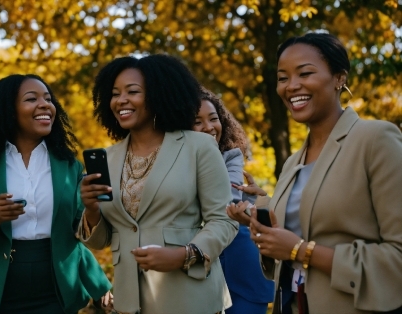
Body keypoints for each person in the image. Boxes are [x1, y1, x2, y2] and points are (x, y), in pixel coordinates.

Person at [244, 32, 402, 313]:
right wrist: (264, 230)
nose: (291, 86)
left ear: (339, 79)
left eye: (305, 73)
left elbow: (397, 254)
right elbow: (292, 238)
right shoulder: (293, 162)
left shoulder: (375, 139)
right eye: (282, 78)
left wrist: (300, 251)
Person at [79, 54, 238, 314]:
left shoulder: (198, 146)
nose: (121, 100)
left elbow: (224, 220)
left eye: (132, 91)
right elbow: (103, 241)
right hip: (129, 303)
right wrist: (91, 210)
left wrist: (184, 254)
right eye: (115, 93)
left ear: (158, 95)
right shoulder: (107, 158)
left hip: (189, 297)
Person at [0, 74, 112, 314]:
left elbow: (74, 237)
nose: (45, 104)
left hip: (54, 292)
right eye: (31, 99)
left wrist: (101, 286)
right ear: (8, 110)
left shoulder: (68, 165)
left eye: (48, 99)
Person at [194, 87, 274, 314]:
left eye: (213, 119)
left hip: (241, 265)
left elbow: (225, 202)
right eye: (197, 121)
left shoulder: (231, 157)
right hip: (197, 267)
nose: (209, 127)